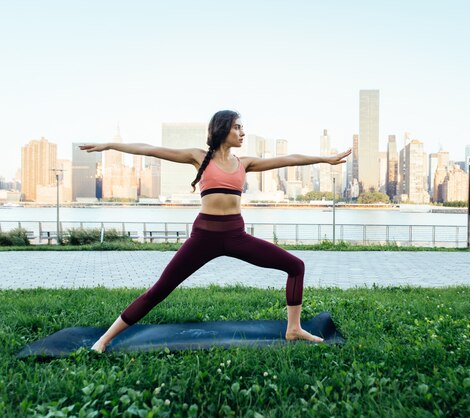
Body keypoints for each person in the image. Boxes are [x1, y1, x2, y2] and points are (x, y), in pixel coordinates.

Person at [80, 110, 351, 352]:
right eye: (237, 127)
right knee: (159, 291)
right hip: (203, 238)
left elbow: (289, 159)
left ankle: (293, 329)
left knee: (295, 266)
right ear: (222, 129)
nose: (242, 132)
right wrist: (109, 145)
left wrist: (325, 159)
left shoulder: (245, 163)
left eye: (242, 128)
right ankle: (104, 340)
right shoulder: (198, 157)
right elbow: (150, 149)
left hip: (236, 236)